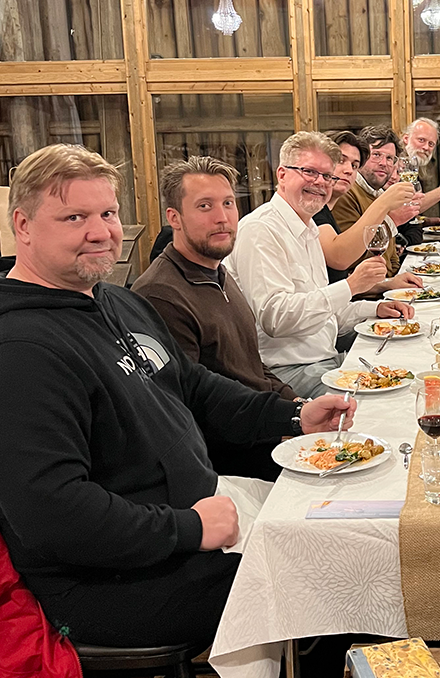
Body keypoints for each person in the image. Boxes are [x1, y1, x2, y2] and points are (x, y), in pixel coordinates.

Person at [0, 144, 356, 678]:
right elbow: (55, 517)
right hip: (96, 585)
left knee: (324, 537)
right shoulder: (14, 354)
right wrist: (189, 529)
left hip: (176, 528)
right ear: (23, 224)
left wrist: (293, 415)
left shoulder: (110, 300)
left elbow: (192, 387)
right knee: (322, 587)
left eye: (108, 213)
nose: (100, 231)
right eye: (74, 217)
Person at [132, 156, 301, 478]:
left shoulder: (219, 271)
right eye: (205, 206)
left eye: (228, 203)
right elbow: (190, 409)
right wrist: (287, 424)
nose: (222, 218)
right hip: (235, 459)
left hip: (266, 426)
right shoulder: (160, 294)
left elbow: (252, 366)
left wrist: (297, 403)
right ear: (174, 217)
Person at [228, 132, 413, 398]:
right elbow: (275, 319)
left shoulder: (309, 227)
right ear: (282, 174)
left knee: (408, 372)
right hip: (286, 373)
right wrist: (351, 286)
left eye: (327, 176)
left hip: (324, 359)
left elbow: (325, 314)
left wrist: (375, 308)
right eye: (309, 172)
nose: (319, 182)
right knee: (386, 402)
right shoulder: (260, 230)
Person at [316, 131, 422, 288]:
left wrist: (390, 283)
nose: (348, 170)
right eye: (377, 155)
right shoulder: (318, 209)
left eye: (354, 165)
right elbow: (343, 259)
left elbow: (343, 284)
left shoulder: (372, 194)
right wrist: (387, 208)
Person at [398, 118, 440, 245]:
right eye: (421, 140)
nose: (426, 147)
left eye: (431, 144)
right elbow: (404, 207)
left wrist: (424, 220)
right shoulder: (395, 166)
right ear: (406, 139)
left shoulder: (413, 167)